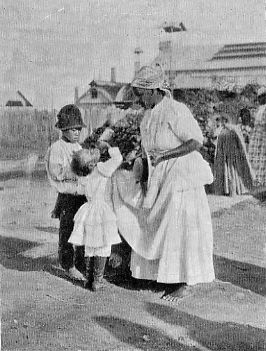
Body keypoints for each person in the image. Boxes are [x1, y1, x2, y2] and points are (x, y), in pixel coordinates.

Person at [111, 64, 215, 302]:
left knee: (178, 225)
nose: (138, 98)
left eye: (140, 92)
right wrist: (138, 160)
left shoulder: (176, 110)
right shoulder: (148, 114)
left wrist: (165, 156)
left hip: (180, 173)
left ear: (153, 90)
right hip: (159, 172)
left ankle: (184, 282)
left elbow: (195, 142)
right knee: (153, 220)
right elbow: (148, 147)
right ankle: (157, 275)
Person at [68, 129, 123, 291]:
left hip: (88, 210)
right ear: (92, 164)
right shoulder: (101, 169)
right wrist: (108, 146)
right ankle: (97, 280)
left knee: (90, 245)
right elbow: (118, 159)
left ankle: (88, 278)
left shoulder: (83, 175)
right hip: (102, 211)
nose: (95, 152)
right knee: (103, 246)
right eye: (91, 154)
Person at [45, 104, 87, 281]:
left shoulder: (78, 147)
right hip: (68, 195)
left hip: (82, 194)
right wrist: (74, 169)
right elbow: (55, 173)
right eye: (72, 129)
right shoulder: (57, 148)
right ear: (63, 129)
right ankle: (68, 264)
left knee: (83, 228)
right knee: (67, 230)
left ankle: (81, 263)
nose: (76, 133)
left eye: (78, 129)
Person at [213, 111, 254, 196]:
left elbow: (240, 142)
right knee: (226, 171)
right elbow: (217, 142)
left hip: (233, 153)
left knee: (233, 171)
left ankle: (234, 190)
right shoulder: (221, 130)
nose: (221, 122)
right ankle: (226, 190)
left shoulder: (233, 129)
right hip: (224, 154)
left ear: (226, 120)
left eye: (222, 120)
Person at [248, 87, 266, 186]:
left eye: (261, 97)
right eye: (258, 98)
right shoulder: (259, 109)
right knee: (256, 157)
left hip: (263, 135)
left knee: (263, 157)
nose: (259, 100)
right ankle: (258, 179)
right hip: (257, 135)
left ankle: (263, 179)